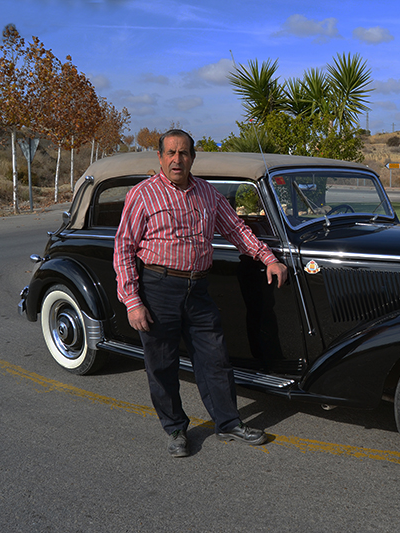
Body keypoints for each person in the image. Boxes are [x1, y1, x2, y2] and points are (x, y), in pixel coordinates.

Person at [113, 129, 288, 457]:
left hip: (198, 288)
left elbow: (235, 228)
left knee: (215, 359)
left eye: (183, 153)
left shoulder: (207, 193)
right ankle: (175, 428)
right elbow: (123, 247)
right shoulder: (142, 194)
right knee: (162, 363)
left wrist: (268, 258)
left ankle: (228, 423)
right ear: (160, 157)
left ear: (192, 157)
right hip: (158, 288)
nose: (177, 159)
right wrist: (132, 301)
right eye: (170, 153)